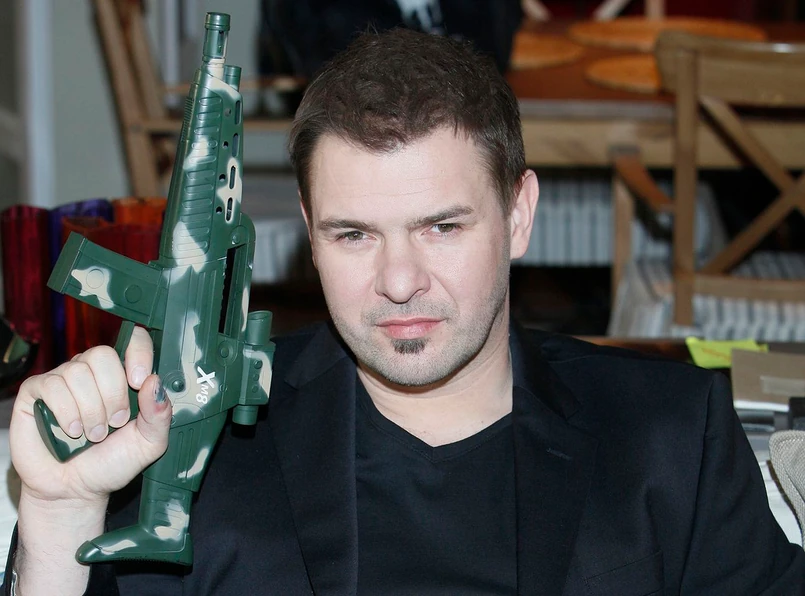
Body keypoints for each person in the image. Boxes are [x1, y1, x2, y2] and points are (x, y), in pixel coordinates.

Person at [5, 27, 805, 595]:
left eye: (440, 227)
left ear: (518, 216)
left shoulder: (673, 435)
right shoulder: (192, 441)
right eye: (353, 234)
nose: (397, 281)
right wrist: (57, 514)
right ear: (309, 234)